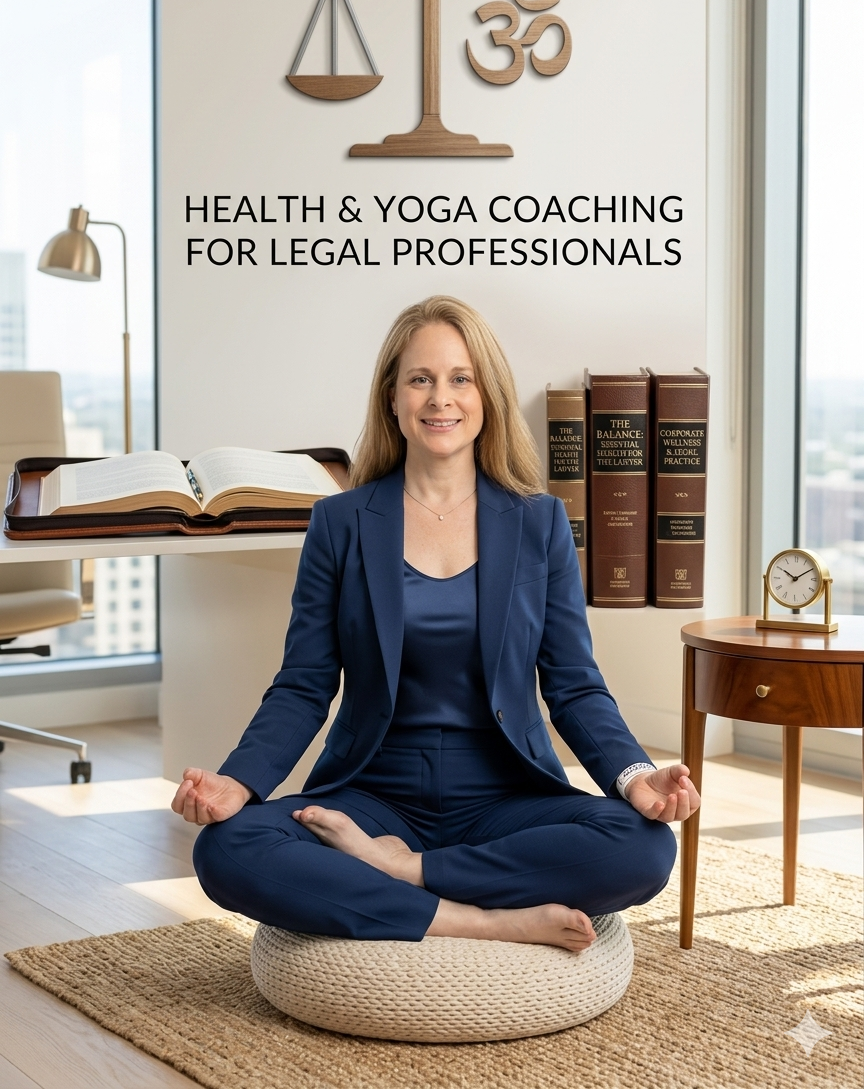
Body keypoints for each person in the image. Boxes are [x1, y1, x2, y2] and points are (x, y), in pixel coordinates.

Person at [172, 296, 699, 954]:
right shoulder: (340, 523)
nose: (439, 398)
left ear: (487, 396)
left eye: (460, 377)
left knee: (645, 846)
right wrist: (239, 780)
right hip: (371, 796)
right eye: (419, 378)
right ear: (392, 398)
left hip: (506, 796)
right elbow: (304, 683)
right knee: (228, 847)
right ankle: (479, 918)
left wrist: (632, 775)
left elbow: (573, 684)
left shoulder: (540, 523)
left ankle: (405, 873)